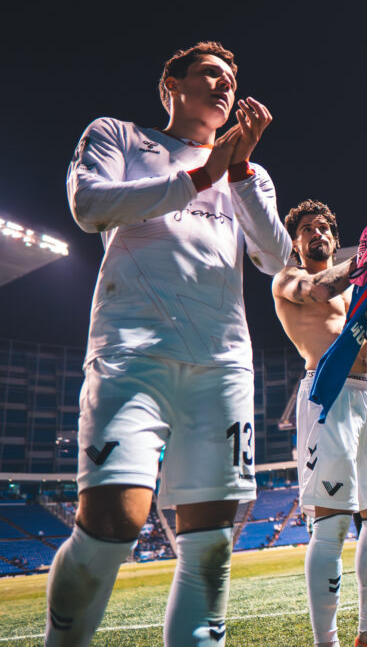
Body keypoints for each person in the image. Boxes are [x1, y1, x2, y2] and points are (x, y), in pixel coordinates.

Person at [49, 41, 291, 646]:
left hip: (222, 363)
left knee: (209, 545)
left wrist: (232, 171)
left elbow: (275, 257)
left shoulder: (250, 172)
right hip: (133, 352)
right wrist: (200, 176)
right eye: (209, 74)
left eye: (231, 79)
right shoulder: (121, 137)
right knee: (112, 522)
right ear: (171, 87)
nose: (224, 85)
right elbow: (88, 206)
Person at [273, 199, 367, 647]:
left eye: (324, 227)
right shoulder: (289, 279)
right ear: (296, 242)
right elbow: (318, 289)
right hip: (326, 395)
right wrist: (364, 259)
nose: (317, 233)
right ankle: (327, 643)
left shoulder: (357, 281)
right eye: (307, 229)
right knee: (333, 523)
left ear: (334, 237)